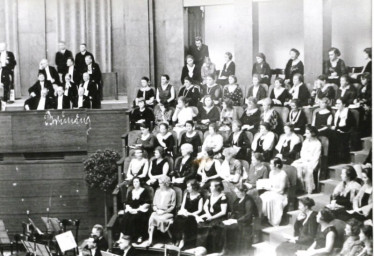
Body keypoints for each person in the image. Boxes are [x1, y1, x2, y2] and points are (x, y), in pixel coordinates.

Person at [222, 183, 256, 255]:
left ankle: (233, 251)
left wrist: (237, 220)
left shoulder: (248, 200)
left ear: (243, 192)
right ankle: (227, 250)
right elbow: (234, 212)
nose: (236, 194)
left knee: (230, 229)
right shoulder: (237, 200)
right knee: (224, 227)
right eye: (236, 192)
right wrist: (230, 219)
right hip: (236, 220)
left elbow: (248, 215)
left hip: (245, 222)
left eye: (237, 192)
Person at [196, 179, 228, 254]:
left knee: (210, 227)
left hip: (218, 217)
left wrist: (212, 217)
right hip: (210, 215)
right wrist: (208, 214)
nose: (210, 187)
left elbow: (223, 212)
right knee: (200, 223)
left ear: (217, 187)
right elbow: (205, 206)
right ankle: (200, 248)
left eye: (212, 186)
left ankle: (210, 249)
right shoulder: (210, 196)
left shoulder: (223, 197)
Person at [172, 179, 203, 249]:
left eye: (189, 187)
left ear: (194, 187)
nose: (187, 188)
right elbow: (182, 206)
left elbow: (199, 210)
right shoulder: (187, 194)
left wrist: (190, 213)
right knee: (177, 219)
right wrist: (183, 211)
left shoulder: (199, 197)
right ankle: (178, 239)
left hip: (192, 215)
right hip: (185, 213)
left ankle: (183, 240)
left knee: (187, 222)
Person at [119, 177, 150, 245]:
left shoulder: (144, 191)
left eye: (137, 182)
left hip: (141, 210)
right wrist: (130, 209)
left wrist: (137, 210)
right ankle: (124, 237)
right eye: (134, 182)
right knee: (125, 218)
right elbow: (127, 203)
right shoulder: (131, 191)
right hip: (132, 209)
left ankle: (139, 236)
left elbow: (147, 203)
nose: (135, 183)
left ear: (140, 182)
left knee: (135, 218)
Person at [146, 175, 176, 246]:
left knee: (160, 219)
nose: (159, 184)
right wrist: (156, 210)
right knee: (152, 217)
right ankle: (150, 239)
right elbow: (154, 204)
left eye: (160, 183)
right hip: (157, 211)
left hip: (167, 213)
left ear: (165, 183)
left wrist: (164, 212)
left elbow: (173, 206)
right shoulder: (157, 191)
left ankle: (170, 238)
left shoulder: (172, 192)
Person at [292, 125, 321, 194]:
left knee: (306, 169)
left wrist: (309, 161)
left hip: (312, 162)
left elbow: (316, 157)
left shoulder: (317, 144)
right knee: (294, 165)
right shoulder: (305, 142)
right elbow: (302, 153)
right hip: (303, 159)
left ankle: (307, 189)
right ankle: (298, 187)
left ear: (313, 133)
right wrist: (304, 159)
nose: (305, 135)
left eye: (308, 133)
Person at [260, 157, 288, 226]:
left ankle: (273, 221)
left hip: (280, 194)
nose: (270, 165)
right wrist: (266, 186)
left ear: (277, 165)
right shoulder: (271, 173)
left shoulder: (283, 174)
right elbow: (270, 184)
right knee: (262, 197)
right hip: (272, 192)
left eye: (271, 164)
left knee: (269, 199)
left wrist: (270, 189)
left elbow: (281, 190)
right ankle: (264, 216)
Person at [331, 99, 356, 164]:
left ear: (344, 104)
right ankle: (333, 159)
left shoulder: (348, 112)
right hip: (338, 131)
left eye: (339, 103)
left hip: (345, 132)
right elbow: (335, 124)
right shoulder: (337, 113)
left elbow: (350, 125)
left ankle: (341, 159)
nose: (337, 105)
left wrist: (338, 128)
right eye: (336, 103)